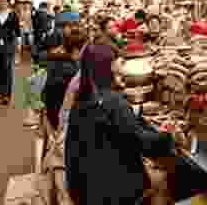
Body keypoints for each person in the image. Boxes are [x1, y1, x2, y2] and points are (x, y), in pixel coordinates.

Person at [64, 26, 176, 205]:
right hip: (111, 193)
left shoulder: (84, 97)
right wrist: (166, 137)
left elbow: (120, 130)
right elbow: (139, 141)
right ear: (104, 67)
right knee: (160, 183)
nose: (120, 71)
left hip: (82, 188)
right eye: (116, 67)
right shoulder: (111, 101)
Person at [42, 18, 86, 130]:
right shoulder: (72, 71)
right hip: (64, 121)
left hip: (53, 116)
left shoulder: (57, 62)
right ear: (77, 50)